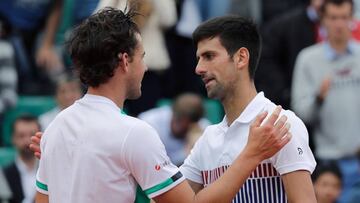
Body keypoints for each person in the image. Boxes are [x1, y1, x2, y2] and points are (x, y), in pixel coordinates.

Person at [32, 7, 292, 203]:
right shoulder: (133, 132)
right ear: (124, 61)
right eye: (142, 57)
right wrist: (252, 154)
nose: (145, 67)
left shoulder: (55, 129)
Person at [179, 16, 317, 202]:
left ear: (241, 58)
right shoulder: (207, 139)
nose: (199, 68)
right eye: (198, 59)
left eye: (209, 56)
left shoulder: (280, 124)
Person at [291, 0, 360, 201]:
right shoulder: (308, 59)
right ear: (322, 20)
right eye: (333, 18)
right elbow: (301, 114)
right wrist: (319, 98)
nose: (339, 24)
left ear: (352, 19)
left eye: (344, 17)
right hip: (329, 164)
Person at [138, 93, 210, 166]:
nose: (180, 126)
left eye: (186, 124)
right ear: (173, 113)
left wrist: (192, 147)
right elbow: (153, 164)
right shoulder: (148, 122)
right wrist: (188, 153)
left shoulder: (204, 129)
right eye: (178, 119)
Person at [3, 114, 40, 203]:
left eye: (32, 135)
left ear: (40, 137)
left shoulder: (50, 171)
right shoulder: (3, 175)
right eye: (21, 135)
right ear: (13, 138)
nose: (27, 141)